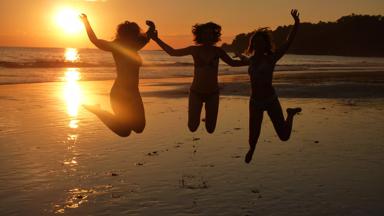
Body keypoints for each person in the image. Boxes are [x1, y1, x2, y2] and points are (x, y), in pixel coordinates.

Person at [147, 22, 248, 133]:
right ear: (200, 35)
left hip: (213, 93)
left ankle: (206, 118)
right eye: (205, 34)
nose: (207, 36)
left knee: (210, 129)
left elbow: (232, 63)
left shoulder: (218, 51)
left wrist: (248, 62)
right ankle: (197, 116)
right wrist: (156, 39)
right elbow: (173, 52)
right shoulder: (194, 50)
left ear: (214, 36)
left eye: (210, 33)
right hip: (196, 93)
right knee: (193, 127)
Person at [80, 14, 154, 137]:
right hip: (119, 93)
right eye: (132, 34)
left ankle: (99, 110)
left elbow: (148, 35)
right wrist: (86, 22)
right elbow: (95, 40)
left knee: (139, 127)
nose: (134, 36)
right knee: (125, 131)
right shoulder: (116, 46)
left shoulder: (136, 45)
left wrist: (151, 26)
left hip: (134, 93)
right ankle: (98, 111)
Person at [243, 9, 302, 163]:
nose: (258, 44)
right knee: (253, 135)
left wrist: (296, 24)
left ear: (266, 45)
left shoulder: (271, 58)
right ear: (252, 44)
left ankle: (290, 114)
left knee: (284, 136)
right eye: (256, 42)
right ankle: (252, 149)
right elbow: (236, 61)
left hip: (270, 99)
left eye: (262, 42)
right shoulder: (249, 60)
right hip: (255, 102)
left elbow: (287, 43)